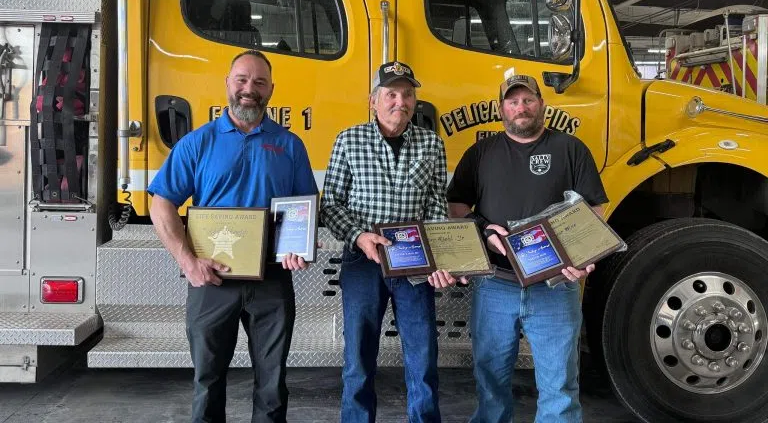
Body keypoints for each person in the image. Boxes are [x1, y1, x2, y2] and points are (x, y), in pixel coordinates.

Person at [148, 50, 318, 423]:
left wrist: (299, 247)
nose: (249, 89)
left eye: (259, 82)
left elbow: (303, 209)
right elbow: (161, 205)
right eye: (242, 79)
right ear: (227, 83)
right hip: (211, 278)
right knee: (207, 381)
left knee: (272, 384)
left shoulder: (290, 146)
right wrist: (188, 262)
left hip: (271, 280)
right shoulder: (198, 143)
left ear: (271, 89)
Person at [447, 71, 609, 423]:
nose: (521, 107)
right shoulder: (481, 153)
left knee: (560, 388)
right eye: (513, 101)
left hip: (555, 285)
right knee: (490, 383)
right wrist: (482, 228)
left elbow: (594, 211)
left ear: (542, 104)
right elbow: (457, 209)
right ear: (501, 109)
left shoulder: (570, 149)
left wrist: (582, 258)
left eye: (528, 100)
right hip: (494, 285)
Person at [320, 60, 456, 423]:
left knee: (423, 356)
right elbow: (330, 204)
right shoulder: (349, 140)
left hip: (414, 264)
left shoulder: (431, 144)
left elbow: (436, 206)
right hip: (363, 261)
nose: (401, 102)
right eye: (391, 94)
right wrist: (359, 236)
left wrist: (439, 258)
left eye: (408, 94)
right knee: (358, 357)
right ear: (373, 101)